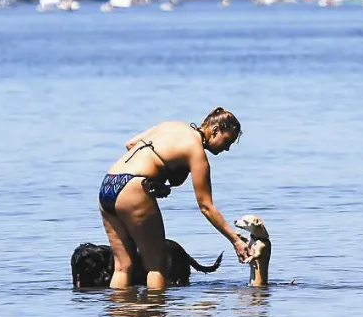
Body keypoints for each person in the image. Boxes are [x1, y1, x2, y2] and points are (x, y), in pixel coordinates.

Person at [98, 107, 251, 289]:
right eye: (228, 141)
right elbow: (206, 206)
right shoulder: (196, 153)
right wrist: (235, 240)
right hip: (132, 189)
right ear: (216, 130)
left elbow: (130, 144)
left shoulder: (172, 125)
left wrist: (155, 179)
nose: (227, 148)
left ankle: (122, 316)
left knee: (123, 267)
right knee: (156, 265)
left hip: (109, 182)